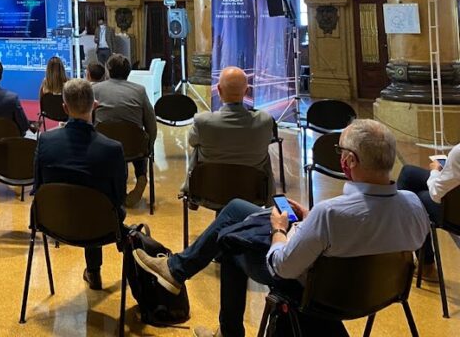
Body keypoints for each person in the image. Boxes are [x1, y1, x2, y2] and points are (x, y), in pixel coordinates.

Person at [132, 119, 430, 337]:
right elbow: (373, 235)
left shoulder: (331, 214)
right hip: (377, 292)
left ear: (348, 161)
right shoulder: (413, 205)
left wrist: (279, 230)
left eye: (341, 150)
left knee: (230, 243)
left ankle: (227, 329)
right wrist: (308, 217)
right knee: (236, 209)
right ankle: (176, 269)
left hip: (317, 291)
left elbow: (282, 267)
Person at [34, 78, 126, 290]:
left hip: (52, 222)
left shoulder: (45, 141)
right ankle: (94, 271)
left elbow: (38, 186)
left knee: (84, 203)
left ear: (64, 107)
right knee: (95, 206)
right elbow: (119, 197)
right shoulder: (112, 149)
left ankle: (93, 271)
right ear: (95, 105)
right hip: (101, 226)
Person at [183, 66, 275, 201]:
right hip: (253, 191)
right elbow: (268, 140)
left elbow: (192, 141)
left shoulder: (203, 121)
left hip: (208, 190)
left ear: (219, 90)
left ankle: (189, 191)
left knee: (198, 149)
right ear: (247, 91)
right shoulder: (264, 121)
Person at [93, 53, 156, 207]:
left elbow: (88, 118)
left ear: (108, 70)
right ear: (129, 72)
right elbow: (151, 123)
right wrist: (150, 147)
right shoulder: (139, 91)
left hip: (104, 145)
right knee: (139, 139)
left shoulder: (96, 89)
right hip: (134, 147)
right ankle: (141, 176)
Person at [397, 140, 460, 279]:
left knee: (414, 198)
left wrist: (435, 171)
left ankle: (425, 265)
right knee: (409, 173)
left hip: (455, 216)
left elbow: (436, 194)